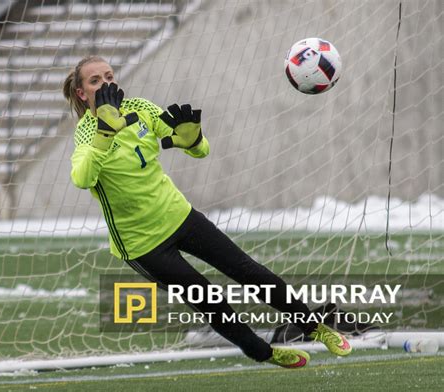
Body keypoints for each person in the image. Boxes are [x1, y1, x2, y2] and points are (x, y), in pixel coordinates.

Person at [64, 55, 351, 368]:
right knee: (208, 297)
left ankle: (314, 327)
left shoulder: (140, 108)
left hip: (180, 216)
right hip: (142, 244)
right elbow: (82, 178)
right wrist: (105, 132)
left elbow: (199, 150)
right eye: (95, 81)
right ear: (82, 93)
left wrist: (193, 139)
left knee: (248, 270)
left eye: (109, 76)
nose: (106, 83)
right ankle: (264, 352)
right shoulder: (87, 132)